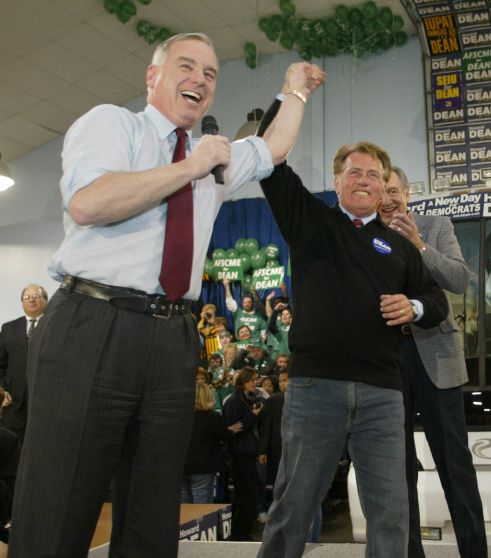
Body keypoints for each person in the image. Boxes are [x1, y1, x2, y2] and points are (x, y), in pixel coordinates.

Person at [9, 31, 324, 557]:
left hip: (171, 337)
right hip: (93, 322)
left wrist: (295, 91)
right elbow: (89, 203)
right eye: (186, 66)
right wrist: (192, 166)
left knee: (153, 514)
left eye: (210, 73)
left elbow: (273, 146)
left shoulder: (212, 157)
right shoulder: (114, 124)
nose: (199, 79)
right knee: (58, 501)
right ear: (152, 76)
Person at [256, 141, 448, 558]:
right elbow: (272, 161)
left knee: (390, 513)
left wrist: (412, 306)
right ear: (337, 180)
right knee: (294, 507)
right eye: (355, 173)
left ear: (384, 188)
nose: (364, 181)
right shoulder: (310, 221)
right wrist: (294, 95)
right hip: (314, 391)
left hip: (382, 396)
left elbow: (437, 301)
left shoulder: (398, 245)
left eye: (374, 175)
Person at [379, 166, 487, 557]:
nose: (388, 199)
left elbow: (460, 279)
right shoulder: (366, 235)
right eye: (382, 191)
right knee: (396, 469)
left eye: (394, 190)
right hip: (386, 362)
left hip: (436, 357)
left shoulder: (436, 225)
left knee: (455, 466)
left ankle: (474, 551)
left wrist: (420, 246)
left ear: (408, 193)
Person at [0, 284, 47, 444]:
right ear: (22, 303)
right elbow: (1, 364)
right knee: (13, 447)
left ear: (46, 301)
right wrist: (3, 389)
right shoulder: (8, 328)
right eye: (27, 297)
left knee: (40, 445)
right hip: (14, 403)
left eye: (36, 296)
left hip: (44, 401)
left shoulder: (55, 327)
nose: (31, 300)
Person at [223, 367, 266, 540]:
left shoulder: (244, 399)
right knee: (247, 494)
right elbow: (234, 428)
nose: (255, 383)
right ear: (243, 382)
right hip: (240, 454)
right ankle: (240, 532)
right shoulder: (234, 401)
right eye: (252, 380)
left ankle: (241, 531)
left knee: (248, 493)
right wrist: (253, 415)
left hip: (247, 453)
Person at [181, 383, 241, 504]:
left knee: (184, 508)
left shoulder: (181, 417)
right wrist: (231, 431)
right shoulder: (212, 417)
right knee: (201, 508)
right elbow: (224, 436)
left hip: (182, 466)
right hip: (203, 467)